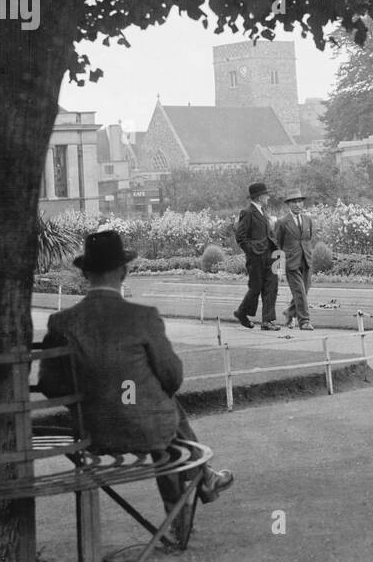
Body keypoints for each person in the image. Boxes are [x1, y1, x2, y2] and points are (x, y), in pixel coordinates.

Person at [39, 230, 232, 543]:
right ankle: (193, 497)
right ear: (124, 271)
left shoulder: (63, 322)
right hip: (150, 432)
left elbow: (50, 384)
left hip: (91, 434)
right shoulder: (143, 317)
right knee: (162, 407)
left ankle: (205, 480)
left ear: (86, 274)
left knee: (159, 407)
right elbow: (173, 378)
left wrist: (88, 397)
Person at [233, 181, 279, 330]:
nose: (268, 197)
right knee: (256, 287)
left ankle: (267, 321)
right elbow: (240, 237)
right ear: (259, 197)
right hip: (256, 257)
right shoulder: (247, 212)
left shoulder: (263, 212)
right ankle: (241, 312)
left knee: (271, 286)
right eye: (266, 195)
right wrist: (252, 252)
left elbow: (268, 234)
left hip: (269, 254)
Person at [275, 188, 315, 330]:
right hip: (291, 263)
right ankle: (304, 321)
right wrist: (278, 268)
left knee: (304, 291)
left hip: (306, 260)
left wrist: (309, 256)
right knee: (299, 292)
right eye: (294, 202)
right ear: (288, 205)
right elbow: (277, 245)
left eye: (299, 202)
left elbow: (309, 240)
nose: (297, 205)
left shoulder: (308, 220)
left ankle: (289, 312)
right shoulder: (282, 222)